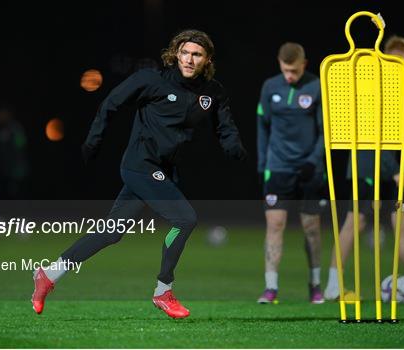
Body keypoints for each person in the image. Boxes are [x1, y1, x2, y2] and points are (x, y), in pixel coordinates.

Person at [31, 29, 247, 318]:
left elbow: (225, 126)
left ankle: (48, 274)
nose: (190, 59)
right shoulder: (151, 80)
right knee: (185, 219)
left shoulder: (213, 92)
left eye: (197, 54)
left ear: (206, 59)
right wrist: (93, 141)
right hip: (139, 166)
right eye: (185, 52)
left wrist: (235, 147)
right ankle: (164, 291)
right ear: (175, 53)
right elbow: (110, 103)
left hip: (162, 171)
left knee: (110, 233)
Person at [324, 36, 404, 301]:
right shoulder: (376, 87)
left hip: (386, 167)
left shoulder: (396, 88)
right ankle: (333, 284)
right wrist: (392, 169)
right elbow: (369, 135)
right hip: (369, 167)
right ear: (392, 60)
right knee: (354, 222)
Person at [256, 42, 325, 304]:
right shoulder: (270, 87)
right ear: (279, 63)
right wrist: (263, 165)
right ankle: (270, 287)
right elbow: (262, 126)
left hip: (311, 169)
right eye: (286, 70)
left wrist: (314, 160)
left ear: (304, 65)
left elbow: (325, 131)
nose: (290, 76)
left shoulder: (317, 86)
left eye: (294, 71)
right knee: (274, 225)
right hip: (278, 168)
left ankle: (315, 284)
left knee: (311, 227)